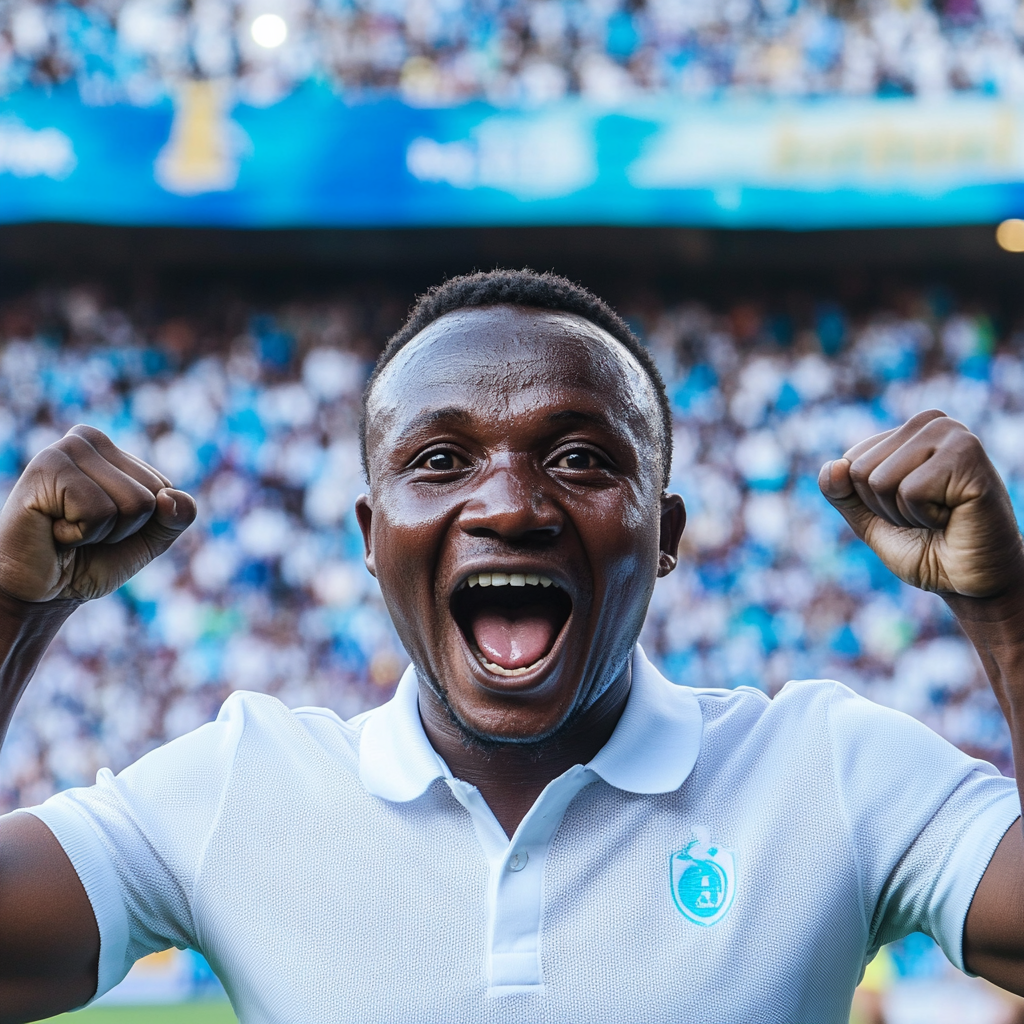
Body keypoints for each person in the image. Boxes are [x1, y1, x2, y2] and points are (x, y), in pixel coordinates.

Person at [1, 268, 1023, 1024]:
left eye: (578, 456)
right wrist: (14, 611)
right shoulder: (240, 784)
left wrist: (1003, 610)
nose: (508, 504)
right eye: (441, 459)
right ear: (368, 535)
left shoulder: (826, 770)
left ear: (665, 535)